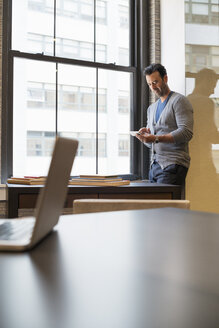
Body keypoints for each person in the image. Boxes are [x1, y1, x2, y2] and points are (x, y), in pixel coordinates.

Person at [136, 63, 193, 185]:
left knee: (167, 204)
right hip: (154, 167)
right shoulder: (151, 108)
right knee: (156, 204)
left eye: (155, 82)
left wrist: (155, 138)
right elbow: (154, 144)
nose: (153, 87)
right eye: (149, 84)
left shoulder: (179, 101)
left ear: (165, 78)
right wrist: (145, 138)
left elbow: (186, 132)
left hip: (173, 165)